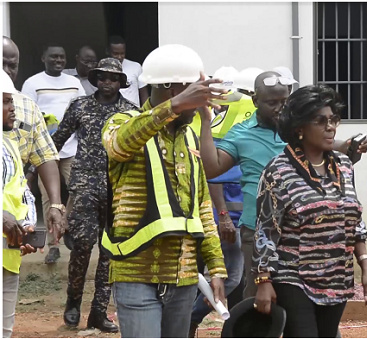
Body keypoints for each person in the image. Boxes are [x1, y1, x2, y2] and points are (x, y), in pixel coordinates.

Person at [198, 71, 367, 299]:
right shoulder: (241, 135)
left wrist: (351, 146)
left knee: (309, 298)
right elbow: (212, 168)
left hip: (303, 232)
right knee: (258, 305)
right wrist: (205, 122)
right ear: (256, 101)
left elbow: (336, 148)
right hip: (257, 232)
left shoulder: (300, 133)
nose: (279, 108)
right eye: (272, 102)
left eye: (284, 101)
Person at [100, 44, 228, 338]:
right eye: (196, 98)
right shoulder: (120, 122)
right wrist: (175, 107)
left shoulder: (190, 137)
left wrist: (216, 269)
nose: (199, 107)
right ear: (173, 91)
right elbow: (119, 144)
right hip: (135, 275)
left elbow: (202, 208)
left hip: (183, 278)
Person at [253, 84, 367, 337]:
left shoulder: (343, 165)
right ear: (299, 127)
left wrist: (366, 266)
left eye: (333, 120)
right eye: (320, 121)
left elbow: (354, 221)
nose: (330, 127)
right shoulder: (278, 171)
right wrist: (264, 281)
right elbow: (265, 230)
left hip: (337, 277)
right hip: (294, 277)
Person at [52, 58, 137, 333]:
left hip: (118, 189)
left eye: (113, 78)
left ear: (121, 82)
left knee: (110, 253)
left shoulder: (130, 112)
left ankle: (99, 312)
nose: (107, 83)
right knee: (82, 246)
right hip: (86, 186)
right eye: (102, 77)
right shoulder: (81, 106)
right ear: (96, 79)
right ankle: (73, 301)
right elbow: (57, 141)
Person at [189, 100, 252, 337]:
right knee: (230, 278)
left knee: (236, 280)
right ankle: (190, 317)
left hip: (244, 222)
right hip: (227, 223)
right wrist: (223, 217)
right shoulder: (228, 134)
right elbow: (215, 178)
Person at [20, 43, 85, 264]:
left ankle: (65, 225)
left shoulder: (74, 83)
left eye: (61, 57)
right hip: (44, 151)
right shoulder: (33, 83)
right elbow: (27, 114)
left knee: (79, 189)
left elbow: (82, 110)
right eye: (53, 57)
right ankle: (53, 244)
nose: (58, 60)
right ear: (43, 58)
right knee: (49, 197)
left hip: (72, 147)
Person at [2, 36, 64, 255]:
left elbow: (45, 155)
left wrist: (55, 204)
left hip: (12, 224)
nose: (8, 71)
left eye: (13, 65)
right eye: (2, 64)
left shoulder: (27, 107)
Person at [2, 70, 38, 338]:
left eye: (11, 101)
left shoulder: (10, 144)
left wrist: (26, 225)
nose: (12, 109)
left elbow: (22, 192)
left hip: (8, 255)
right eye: (4, 102)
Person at [106, 35, 148, 107]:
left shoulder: (136, 67)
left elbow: (143, 94)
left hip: (133, 114)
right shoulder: (102, 69)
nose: (119, 57)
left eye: (122, 53)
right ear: (108, 52)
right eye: (116, 54)